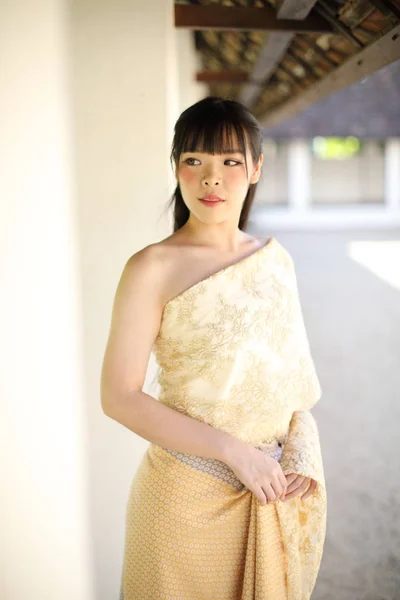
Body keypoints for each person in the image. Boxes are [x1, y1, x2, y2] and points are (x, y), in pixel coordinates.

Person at [101, 96, 327, 600]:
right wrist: (234, 453)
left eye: (229, 161)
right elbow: (118, 396)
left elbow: (291, 387)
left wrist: (296, 455)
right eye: (194, 161)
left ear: (255, 169)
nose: (211, 179)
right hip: (181, 501)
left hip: (268, 490)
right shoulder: (151, 268)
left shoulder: (276, 261)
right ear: (176, 168)